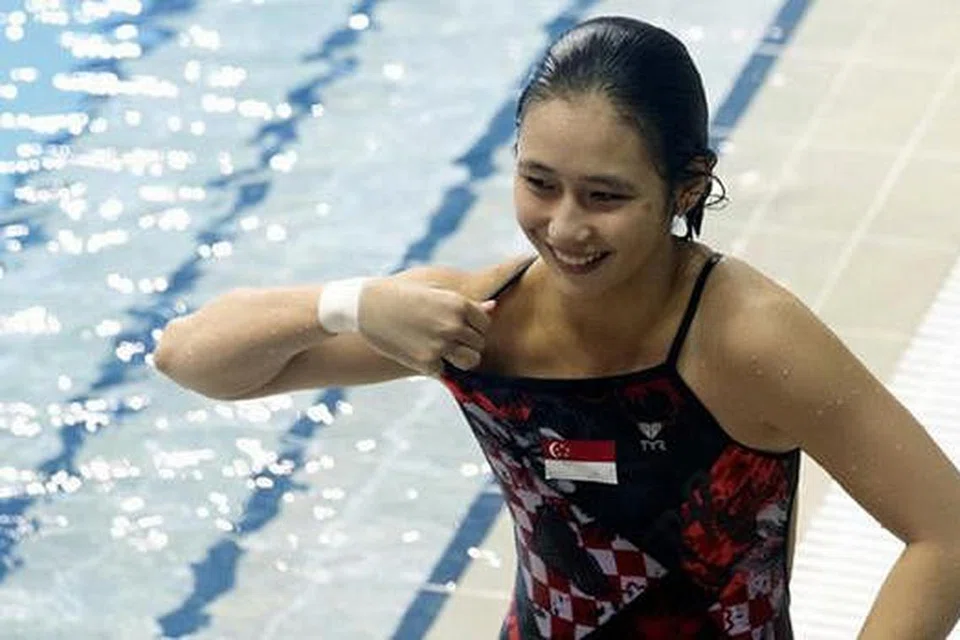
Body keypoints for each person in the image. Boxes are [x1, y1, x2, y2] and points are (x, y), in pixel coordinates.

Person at [154, 16, 960, 639]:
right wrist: (350, 303)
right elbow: (190, 359)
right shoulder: (475, 325)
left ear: (686, 187)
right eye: (540, 182)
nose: (565, 227)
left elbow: (945, 533)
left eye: (605, 197)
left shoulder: (746, 339)